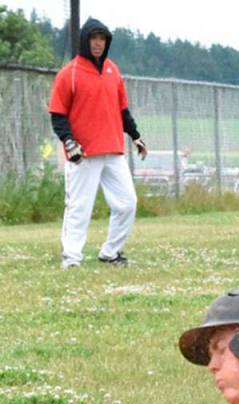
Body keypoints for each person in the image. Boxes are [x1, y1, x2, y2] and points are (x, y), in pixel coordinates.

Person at [49, 17, 148, 270]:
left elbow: (122, 110)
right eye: (93, 38)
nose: (98, 43)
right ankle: (72, 258)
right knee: (80, 206)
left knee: (127, 203)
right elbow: (58, 114)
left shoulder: (113, 71)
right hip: (84, 152)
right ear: (85, 40)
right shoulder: (69, 74)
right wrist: (69, 142)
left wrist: (135, 135)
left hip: (113, 150)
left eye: (102, 38)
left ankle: (110, 253)